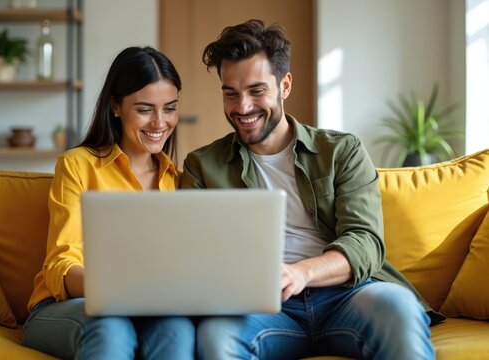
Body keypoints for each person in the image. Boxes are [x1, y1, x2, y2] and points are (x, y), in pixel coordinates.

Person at [180, 20, 443, 359]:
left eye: (257, 91)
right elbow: (195, 256)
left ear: (285, 85)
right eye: (230, 93)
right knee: (217, 336)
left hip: (347, 294)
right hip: (262, 308)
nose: (242, 107)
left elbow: (365, 242)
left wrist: (299, 273)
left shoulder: (341, 151)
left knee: (399, 308)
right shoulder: (202, 166)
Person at [22, 46, 195, 360]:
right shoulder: (77, 165)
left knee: (178, 329)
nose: (160, 122)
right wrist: (122, 291)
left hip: (147, 308)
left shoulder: (179, 180)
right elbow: (61, 263)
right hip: (65, 308)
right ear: (116, 106)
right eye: (145, 109)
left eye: (169, 108)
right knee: (111, 327)